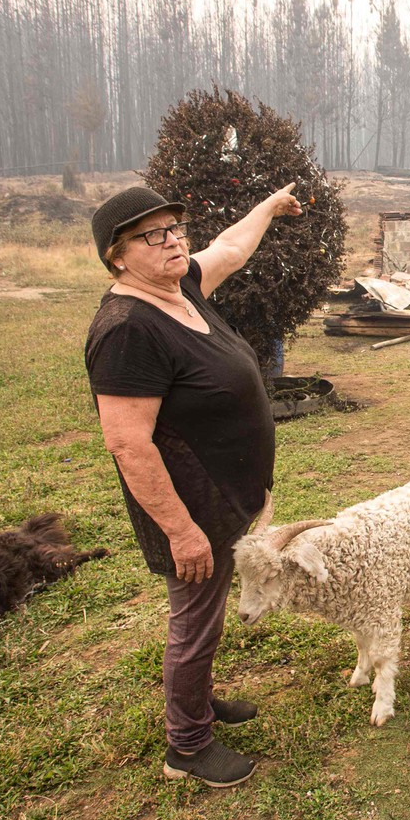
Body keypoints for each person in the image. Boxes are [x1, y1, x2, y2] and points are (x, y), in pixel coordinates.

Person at [83, 182, 302, 787]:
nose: (173, 241)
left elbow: (229, 248)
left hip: (223, 499)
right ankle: (187, 745)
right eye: (152, 235)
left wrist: (270, 207)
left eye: (175, 228)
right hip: (191, 510)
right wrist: (180, 531)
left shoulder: (180, 290)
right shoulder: (128, 328)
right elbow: (128, 441)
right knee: (194, 623)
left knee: (205, 620)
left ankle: (200, 708)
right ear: (117, 255)